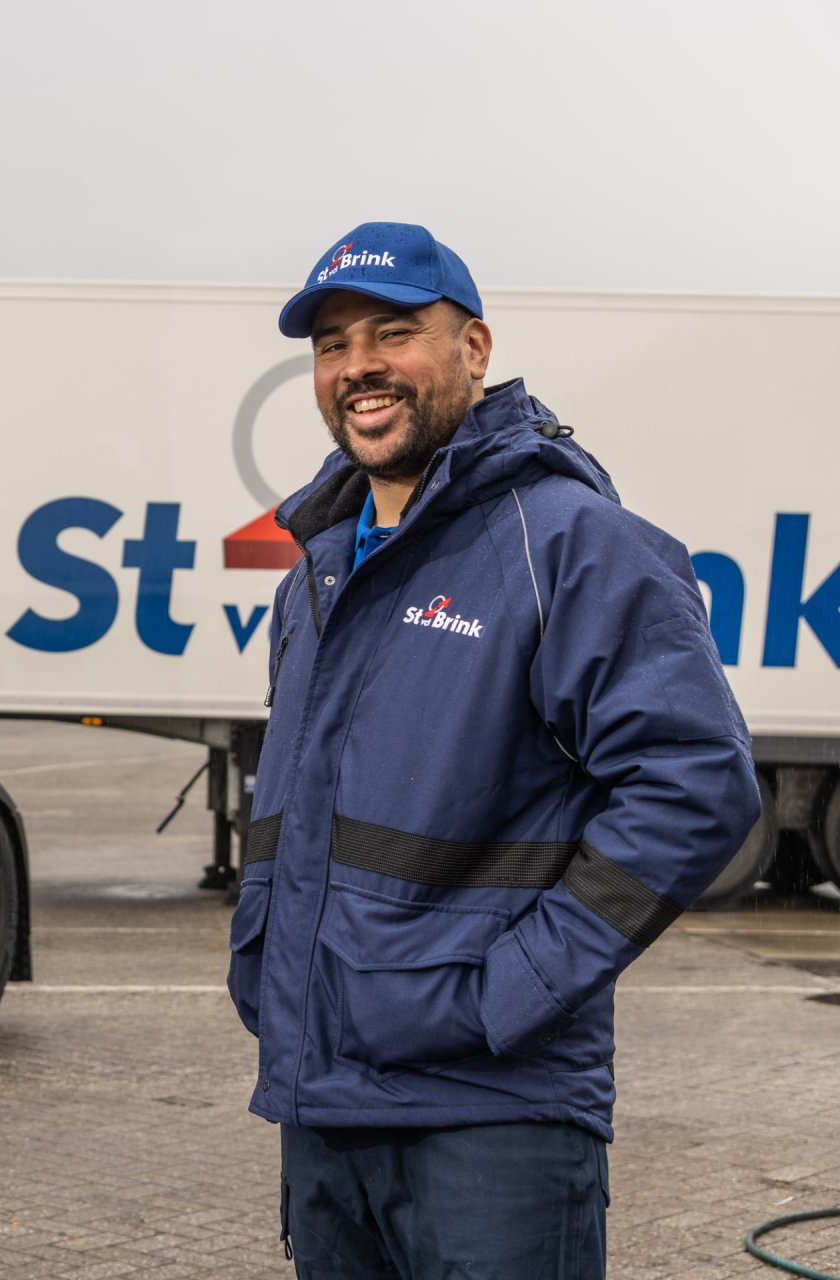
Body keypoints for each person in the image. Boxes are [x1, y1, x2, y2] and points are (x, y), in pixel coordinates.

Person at [226, 222, 760, 1278]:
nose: (358, 367)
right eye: (332, 346)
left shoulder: (568, 540)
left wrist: (506, 990)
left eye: (393, 332)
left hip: (494, 1117)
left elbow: (696, 783)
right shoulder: (317, 571)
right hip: (323, 1104)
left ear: (474, 349)